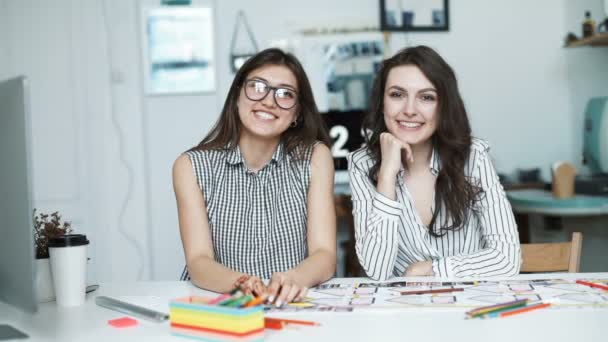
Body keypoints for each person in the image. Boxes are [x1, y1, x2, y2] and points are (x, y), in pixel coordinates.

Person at [173, 48, 336, 305]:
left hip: (292, 303)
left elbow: (324, 254)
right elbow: (198, 261)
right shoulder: (190, 166)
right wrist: (242, 284)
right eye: (258, 87)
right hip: (223, 304)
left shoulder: (315, 158)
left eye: (285, 94)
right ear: (237, 95)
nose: (269, 101)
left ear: (297, 114)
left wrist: (293, 279)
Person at [348, 46, 521, 281]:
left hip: (471, 305)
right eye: (397, 95)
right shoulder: (362, 164)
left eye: (426, 97)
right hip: (404, 309)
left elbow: (508, 259)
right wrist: (387, 176)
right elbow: (377, 271)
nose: (409, 110)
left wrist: (433, 269)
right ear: (382, 102)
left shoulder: (472, 156)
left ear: (443, 106)